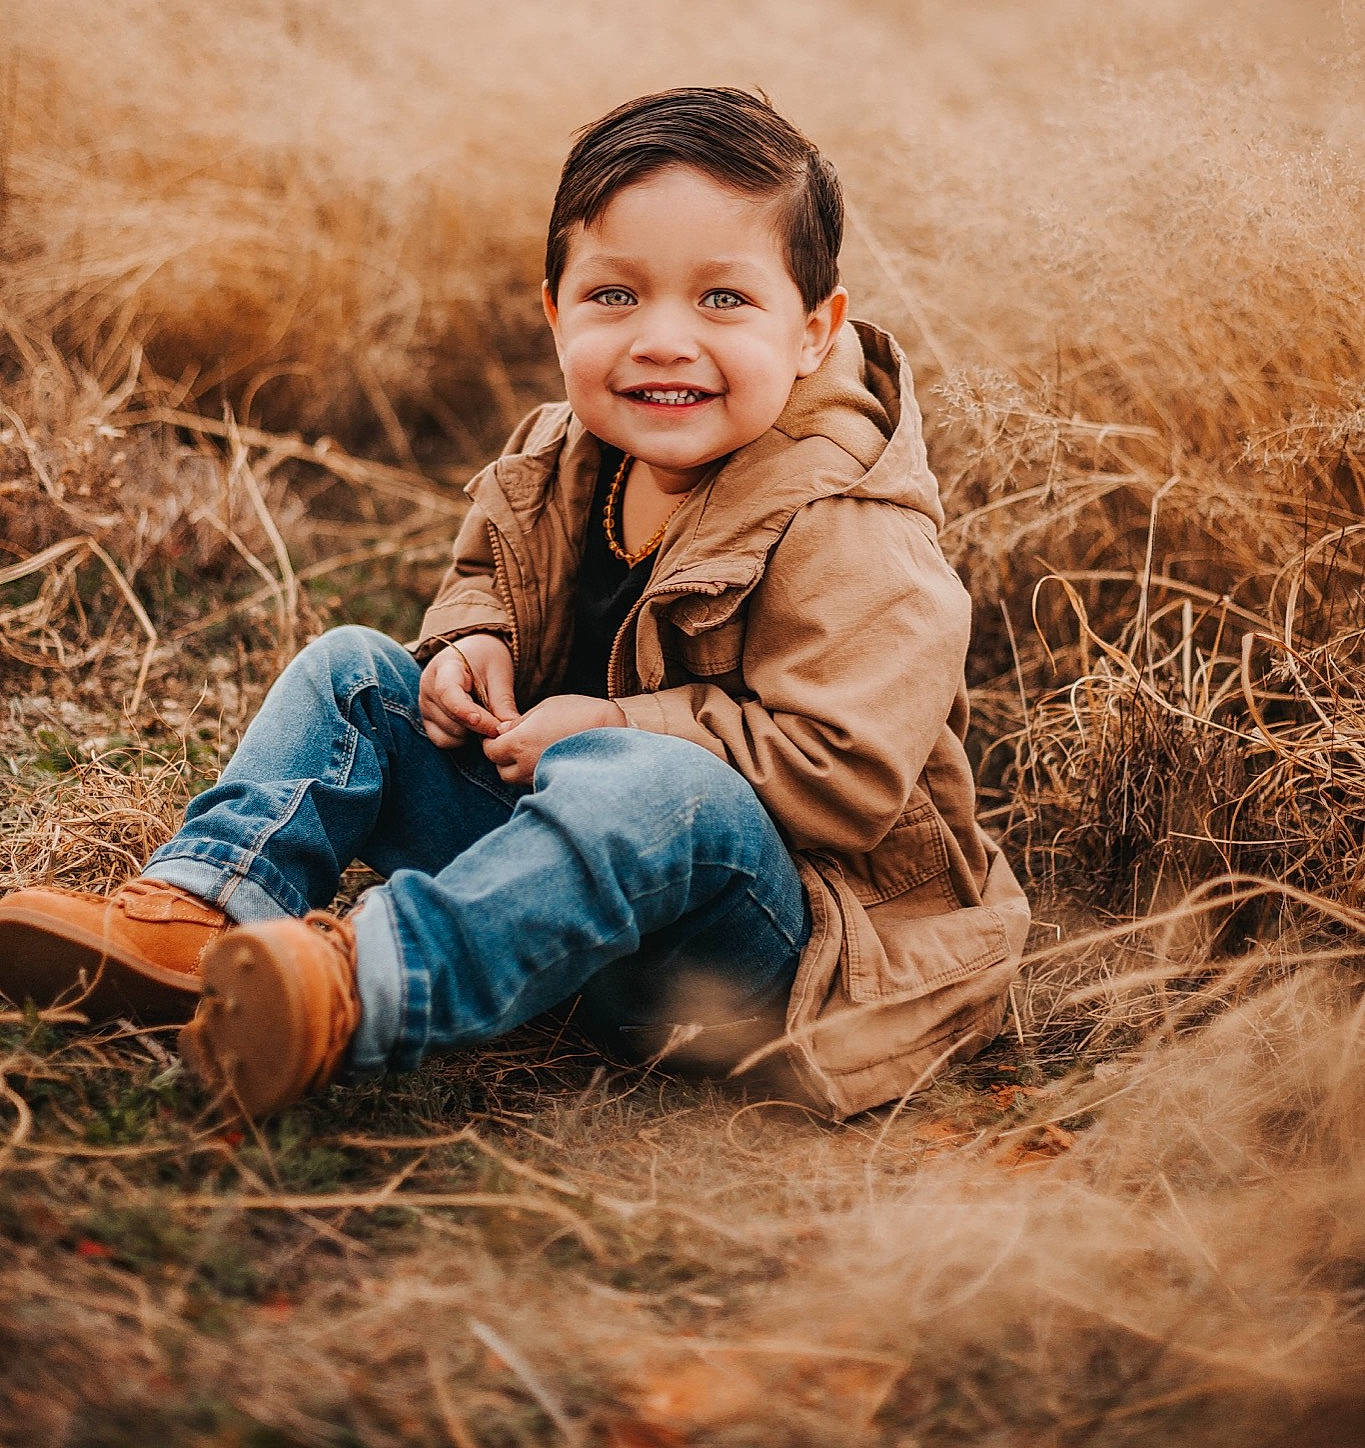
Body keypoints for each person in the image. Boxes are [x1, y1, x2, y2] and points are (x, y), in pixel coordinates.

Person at [0, 89, 1028, 1120]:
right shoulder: (563, 452)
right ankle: (197, 917)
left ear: (814, 330)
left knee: (655, 783)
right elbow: (490, 563)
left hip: (767, 957)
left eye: (724, 299)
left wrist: (620, 725)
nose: (663, 339)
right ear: (555, 309)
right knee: (355, 670)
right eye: (615, 295)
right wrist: (469, 638)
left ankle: (349, 991)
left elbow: (845, 770)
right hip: (561, 890)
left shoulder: (850, 522)